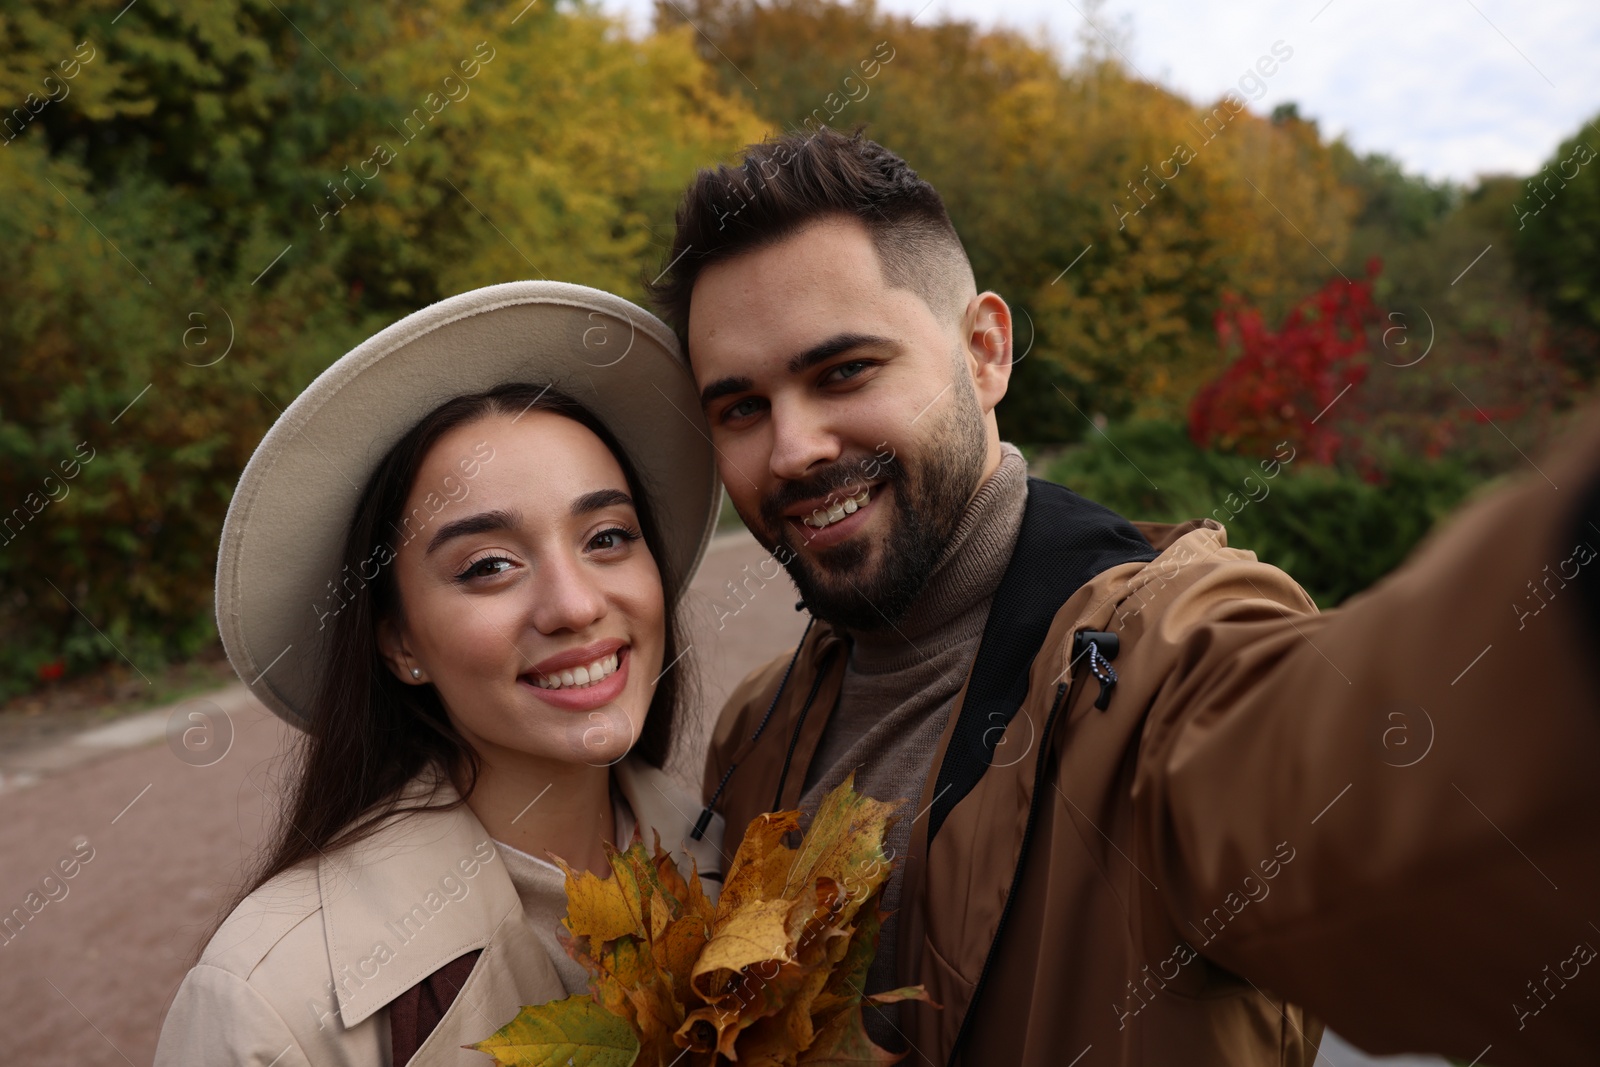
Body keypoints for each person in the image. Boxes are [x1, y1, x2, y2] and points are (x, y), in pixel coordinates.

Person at [649, 128, 1600, 1066]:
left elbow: (1377, 797)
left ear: (984, 352)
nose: (793, 449)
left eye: (844, 371)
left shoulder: (1155, 666)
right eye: (741, 407)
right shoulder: (755, 727)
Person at [154, 283, 725, 1066]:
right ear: (398, 642)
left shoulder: (733, 862)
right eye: (489, 565)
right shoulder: (271, 1002)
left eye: (607, 536)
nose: (573, 603)